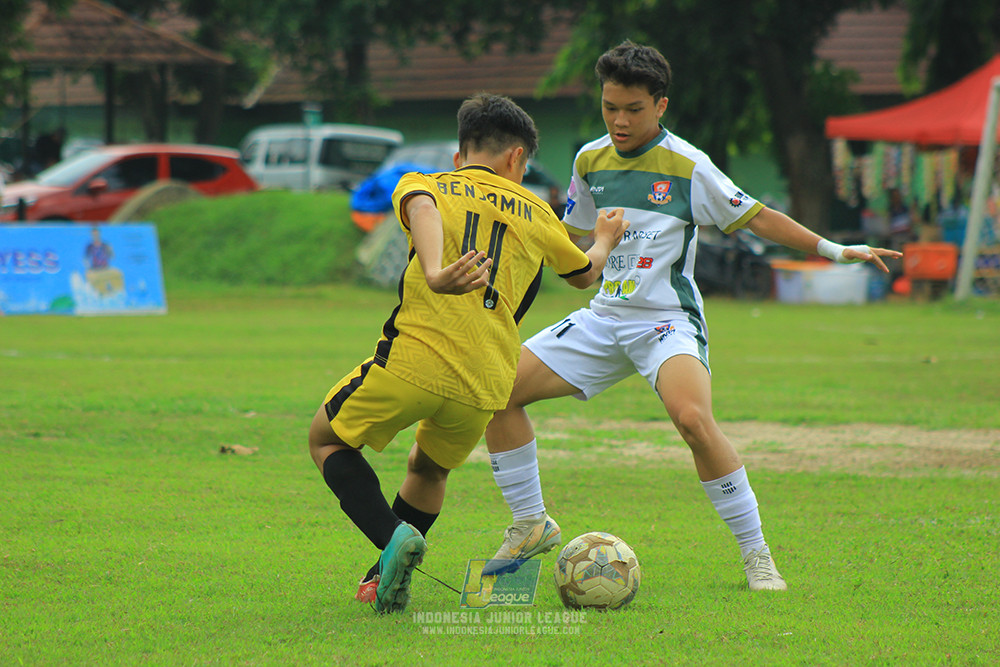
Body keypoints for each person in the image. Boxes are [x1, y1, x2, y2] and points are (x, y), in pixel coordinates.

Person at [481, 41, 903, 591]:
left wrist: (834, 249)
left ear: (660, 106)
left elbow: (756, 217)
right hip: (605, 316)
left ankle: (757, 555)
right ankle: (530, 523)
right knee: (496, 389)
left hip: (666, 319)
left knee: (694, 422)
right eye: (610, 107)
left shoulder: (688, 165)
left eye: (633, 109)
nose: (619, 120)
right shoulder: (589, 160)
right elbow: (573, 240)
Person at [309, 93, 629, 613]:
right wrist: (606, 238)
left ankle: (393, 538)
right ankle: (382, 576)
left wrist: (436, 270)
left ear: (460, 155)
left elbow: (422, 209)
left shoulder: (430, 183)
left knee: (325, 439)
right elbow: (584, 273)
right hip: (484, 387)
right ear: (517, 158)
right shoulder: (539, 213)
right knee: (428, 470)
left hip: (414, 363)